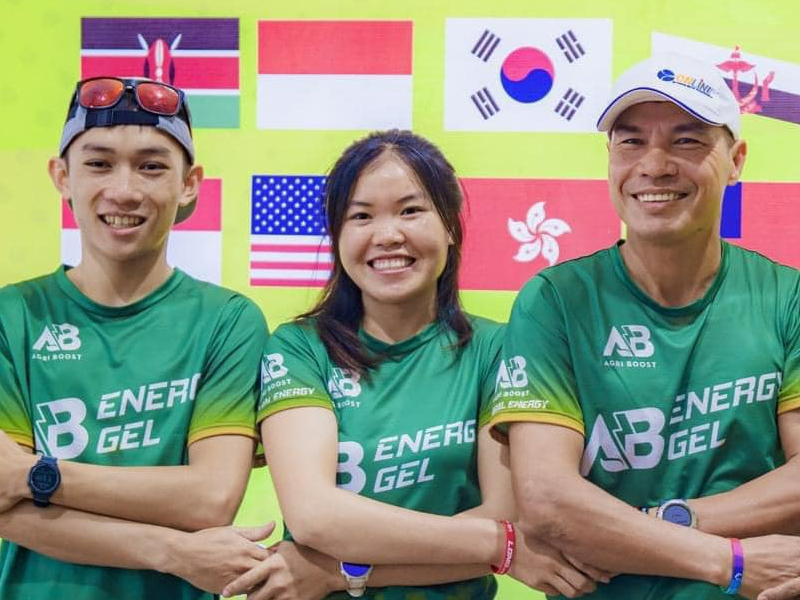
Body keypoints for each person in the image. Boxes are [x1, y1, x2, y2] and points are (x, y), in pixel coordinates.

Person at [220, 130, 610, 600]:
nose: (387, 236)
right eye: (361, 216)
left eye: (410, 211)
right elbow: (315, 516)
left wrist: (340, 573)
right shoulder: (299, 348)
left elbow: (505, 514)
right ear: (337, 235)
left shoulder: (499, 348)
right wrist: (495, 545)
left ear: (450, 226)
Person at [485, 52, 800, 600]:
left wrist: (669, 520)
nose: (654, 165)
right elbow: (547, 501)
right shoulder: (556, 299)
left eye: (686, 140)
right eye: (631, 141)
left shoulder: (787, 296)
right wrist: (728, 561)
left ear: (736, 161)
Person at [0, 76, 270, 599]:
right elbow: (6, 510)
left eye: (151, 166)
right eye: (99, 164)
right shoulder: (13, 316)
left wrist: (38, 476)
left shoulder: (228, 321)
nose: (124, 190)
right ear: (62, 176)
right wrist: (172, 551)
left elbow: (210, 498)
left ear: (189, 183)